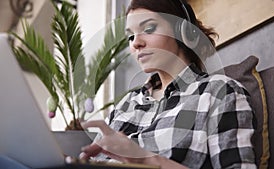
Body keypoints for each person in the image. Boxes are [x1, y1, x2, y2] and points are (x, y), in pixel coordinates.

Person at [79, 0, 257, 168]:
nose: (136, 43)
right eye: (131, 36)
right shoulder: (126, 104)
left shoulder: (219, 92)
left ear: (183, 31)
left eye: (149, 28)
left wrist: (144, 159)